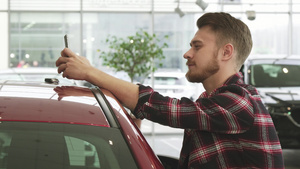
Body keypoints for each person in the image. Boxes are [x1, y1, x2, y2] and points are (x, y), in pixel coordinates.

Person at [56, 12, 284, 169]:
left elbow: (166, 108)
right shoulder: (214, 101)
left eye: (197, 46)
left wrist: (89, 72)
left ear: (226, 53)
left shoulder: (240, 101)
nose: (187, 54)